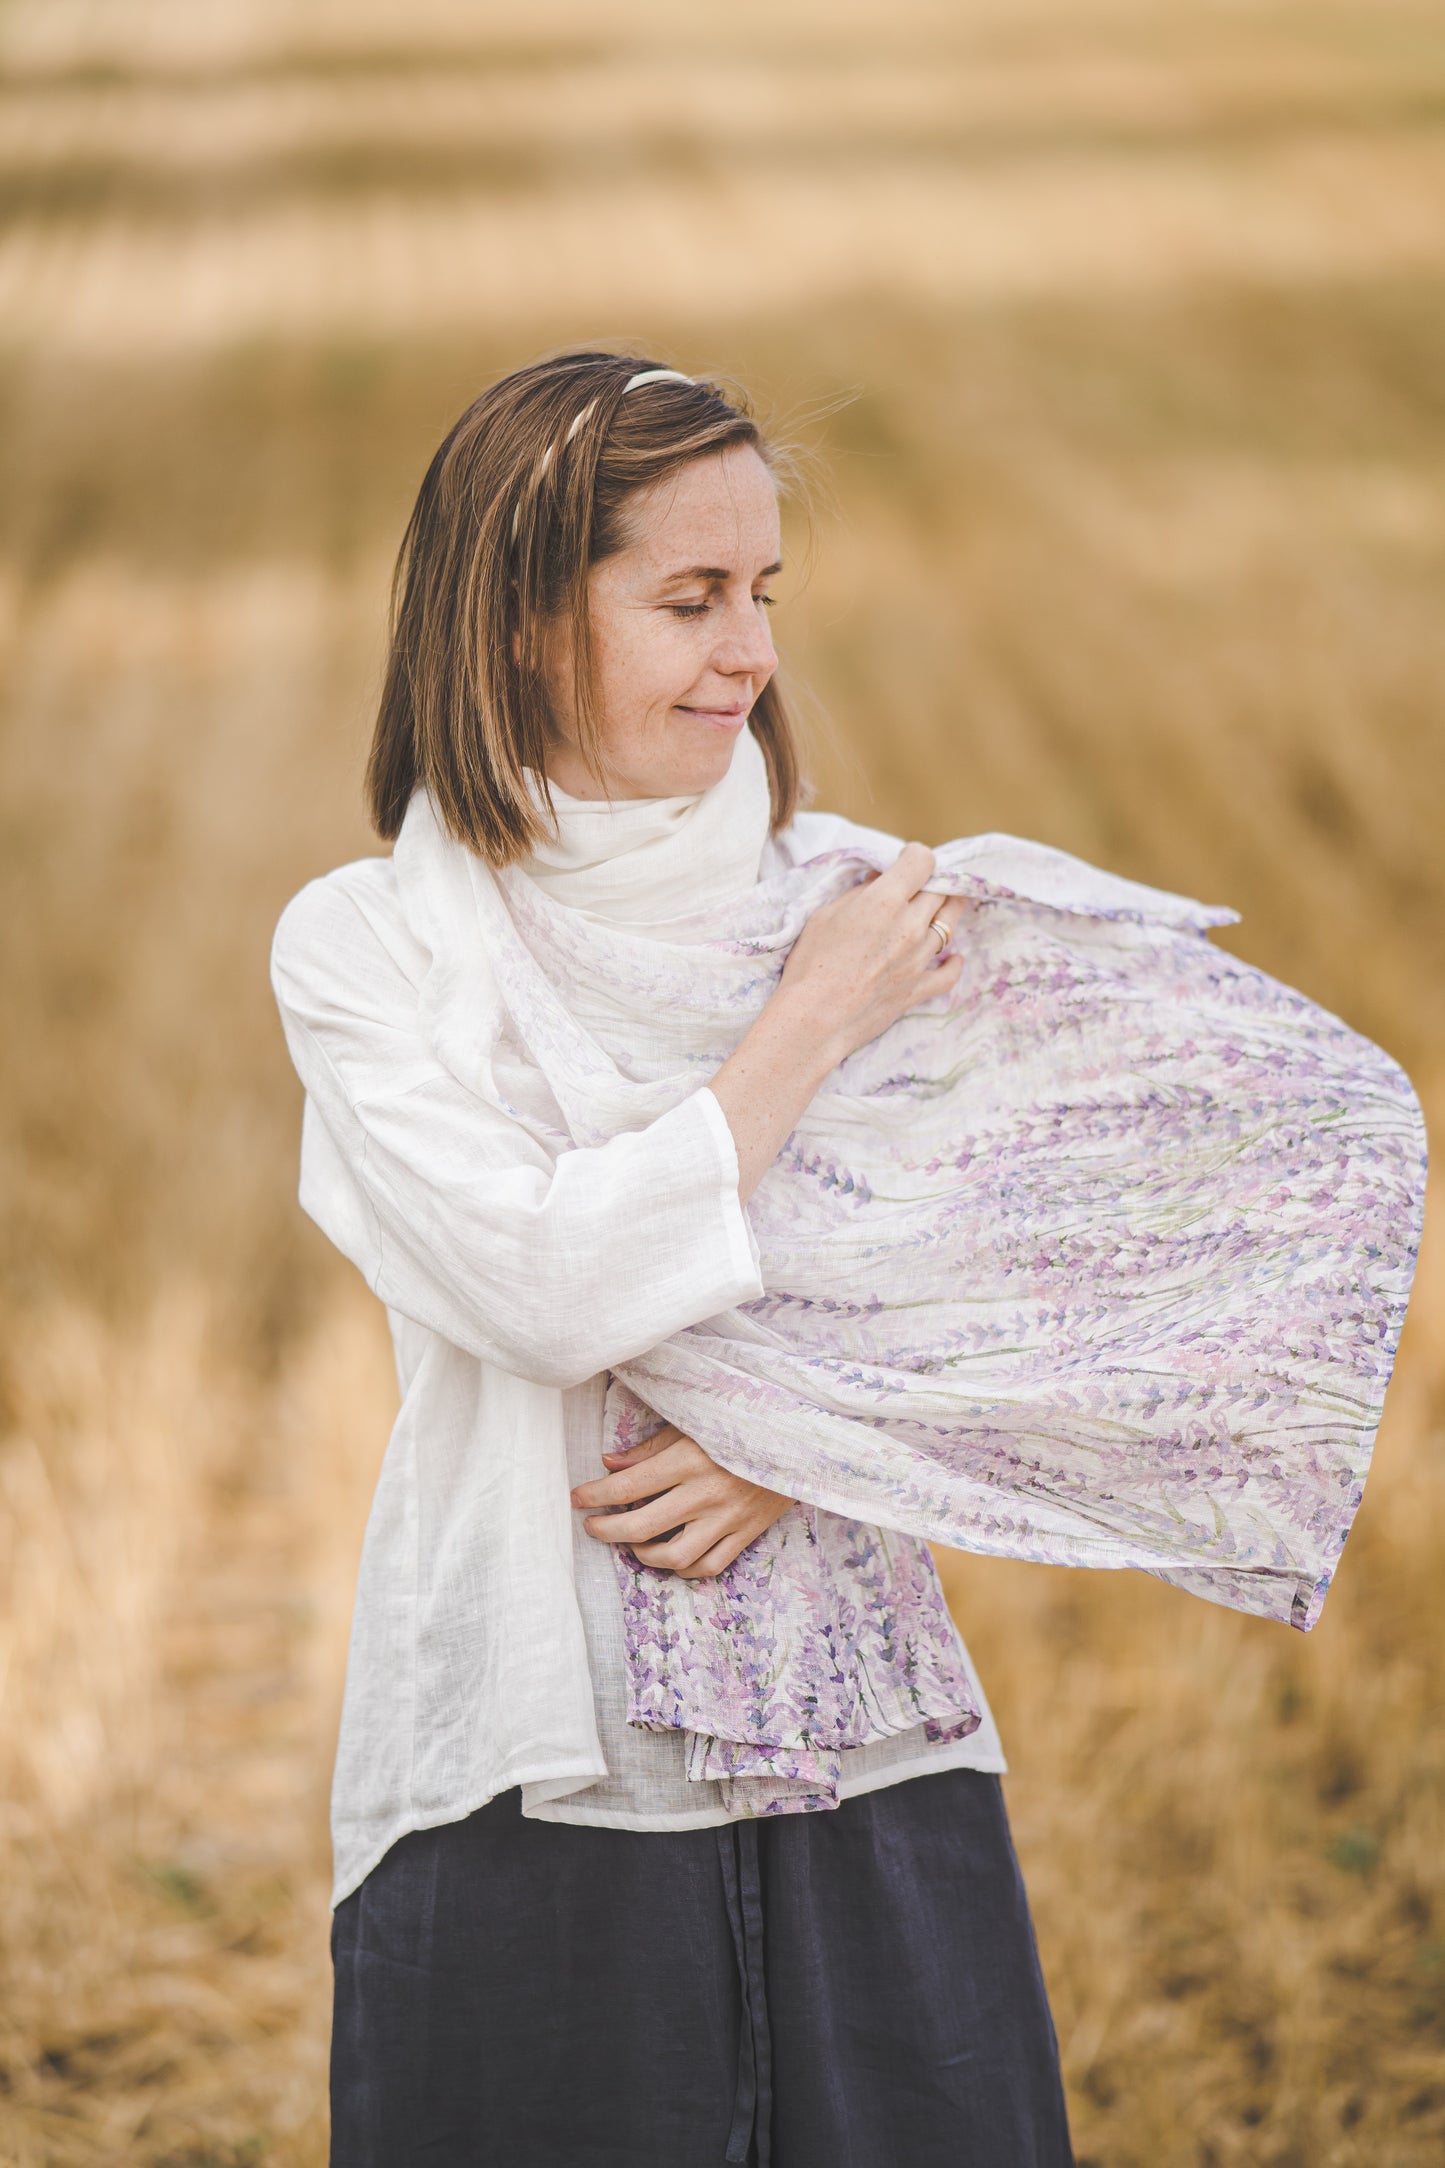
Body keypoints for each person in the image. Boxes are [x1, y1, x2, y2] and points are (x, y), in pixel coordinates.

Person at [272, 350, 1076, 2165]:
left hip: (857, 1733)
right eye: (689, 599)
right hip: (527, 1749)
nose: (750, 652)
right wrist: (802, 1030)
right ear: (520, 625)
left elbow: (1025, 1255)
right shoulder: (370, 947)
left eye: (763, 595)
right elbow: (545, 1291)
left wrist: (788, 1445)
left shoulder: (861, 896)